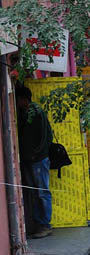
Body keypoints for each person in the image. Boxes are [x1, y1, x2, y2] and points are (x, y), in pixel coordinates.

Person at [16, 84, 53, 238]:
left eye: (18, 100)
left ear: (24, 99)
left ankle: (45, 224)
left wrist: (35, 154)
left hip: (37, 159)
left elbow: (43, 136)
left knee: (42, 192)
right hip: (33, 159)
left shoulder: (34, 113)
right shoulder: (31, 112)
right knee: (36, 192)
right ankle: (40, 224)